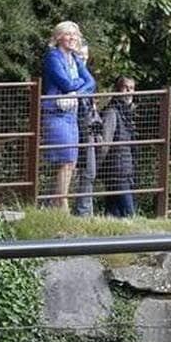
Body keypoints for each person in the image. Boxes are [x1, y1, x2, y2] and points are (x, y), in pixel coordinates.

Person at [41, 21, 95, 212]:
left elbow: (92, 83)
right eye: (68, 34)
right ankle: (61, 203)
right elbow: (65, 83)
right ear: (58, 37)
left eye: (75, 34)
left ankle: (56, 202)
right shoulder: (53, 57)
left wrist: (75, 92)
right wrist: (77, 87)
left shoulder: (75, 59)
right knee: (65, 159)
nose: (72, 38)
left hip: (70, 114)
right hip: (55, 113)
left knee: (71, 160)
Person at [99, 77, 137, 217]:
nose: (129, 92)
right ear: (118, 90)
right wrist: (99, 166)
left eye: (132, 88)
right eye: (125, 88)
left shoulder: (127, 113)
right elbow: (105, 143)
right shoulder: (112, 112)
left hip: (125, 170)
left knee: (113, 213)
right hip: (116, 171)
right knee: (129, 213)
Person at [72, 40, 102, 217]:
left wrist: (97, 132)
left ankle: (85, 212)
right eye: (79, 56)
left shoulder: (87, 78)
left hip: (87, 129)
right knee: (71, 170)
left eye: (85, 56)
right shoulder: (72, 78)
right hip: (75, 127)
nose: (82, 59)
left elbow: (93, 108)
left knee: (89, 171)